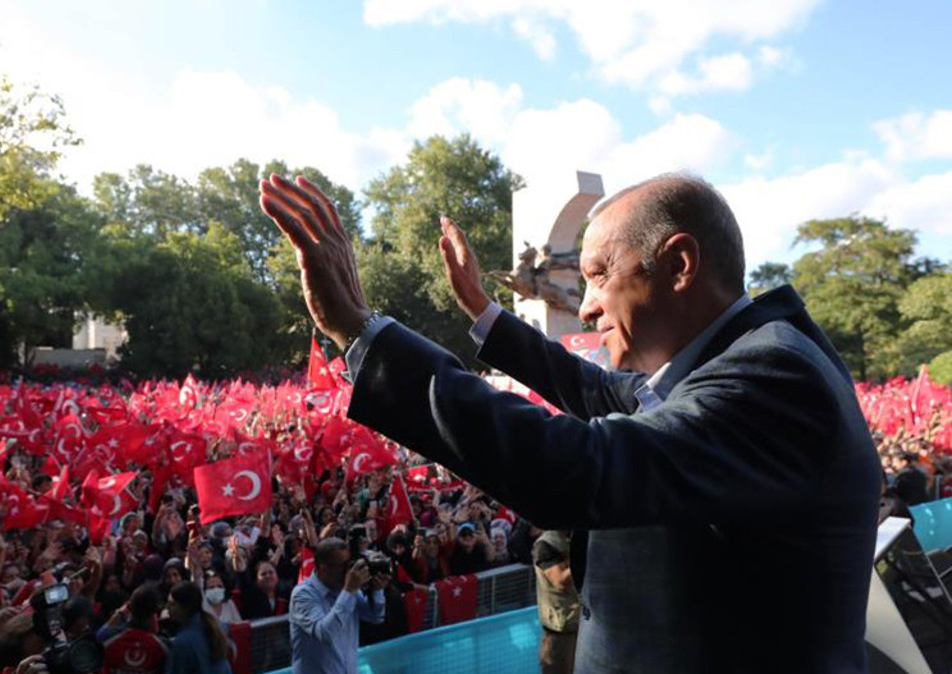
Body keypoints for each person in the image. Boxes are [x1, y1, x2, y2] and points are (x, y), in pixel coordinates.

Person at [259, 172, 881, 673]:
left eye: (599, 275)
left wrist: (360, 333)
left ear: (680, 264)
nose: (583, 307)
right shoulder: (726, 366)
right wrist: (485, 314)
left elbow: (581, 465)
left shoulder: (774, 377)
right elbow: (595, 389)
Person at [288, 538, 385, 674]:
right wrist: (349, 590)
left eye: (349, 564)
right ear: (323, 567)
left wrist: (377, 589)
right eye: (342, 565)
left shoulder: (346, 588)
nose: (348, 571)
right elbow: (326, 633)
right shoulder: (302, 594)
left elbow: (376, 617)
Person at [533, 530, 580, 674]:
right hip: (559, 630)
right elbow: (560, 580)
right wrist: (585, 556)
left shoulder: (574, 538)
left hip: (581, 623)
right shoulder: (545, 544)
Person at [99, 585, 169, 674]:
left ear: (129, 608)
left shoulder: (107, 639)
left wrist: (120, 613)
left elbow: (101, 633)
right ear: (153, 614)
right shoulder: (162, 647)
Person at [165, 581, 230, 674]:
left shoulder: (183, 642)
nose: (167, 607)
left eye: (172, 604)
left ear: (185, 607)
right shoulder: (218, 626)